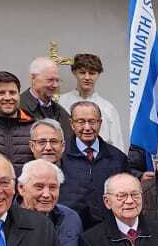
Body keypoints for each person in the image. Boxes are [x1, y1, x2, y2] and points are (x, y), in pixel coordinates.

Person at [62, 100, 129, 230]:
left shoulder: (118, 158)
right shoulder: (60, 156)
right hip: (71, 230)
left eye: (92, 122)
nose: (87, 127)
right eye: (81, 122)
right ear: (72, 124)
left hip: (108, 231)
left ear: (100, 123)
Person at [69, 52, 126, 149]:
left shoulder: (108, 108)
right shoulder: (60, 103)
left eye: (92, 73)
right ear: (74, 73)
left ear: (98, 74)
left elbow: (117, 145)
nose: (87, 77)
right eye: (82, 72)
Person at [20, 55, 71, 131]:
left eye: (57, 80)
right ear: (33, 78)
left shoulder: (61, 112)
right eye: (50, 80)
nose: (55, 85)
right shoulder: (18, 108)